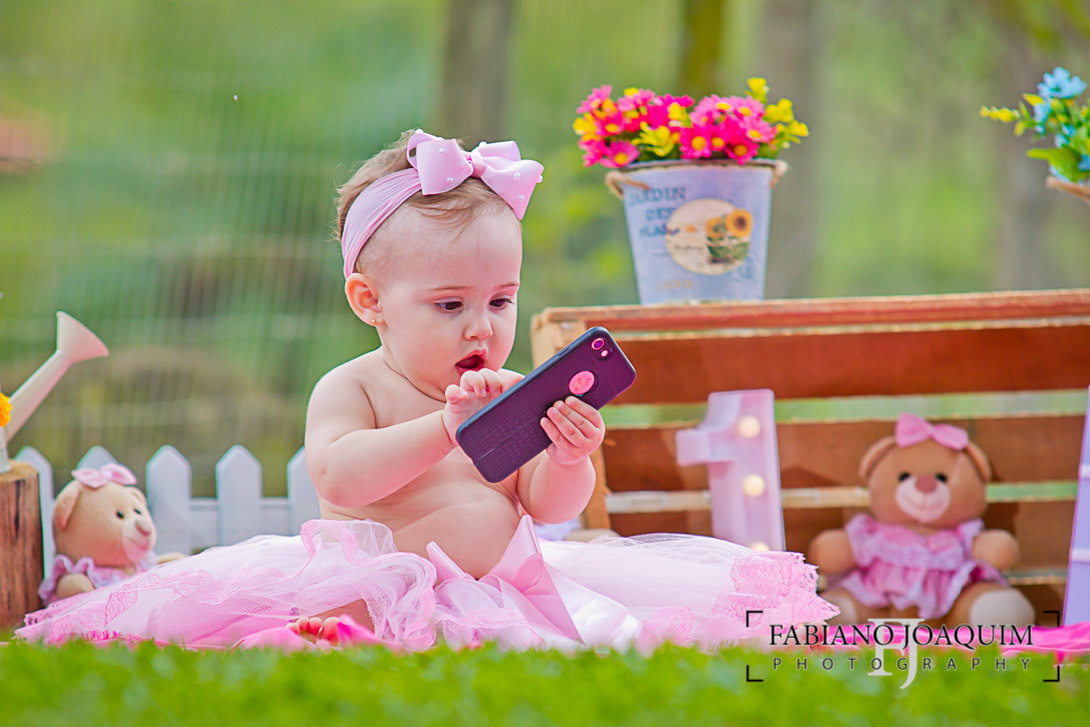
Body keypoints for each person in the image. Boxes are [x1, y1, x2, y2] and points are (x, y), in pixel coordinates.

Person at [17, 129, 837, 652]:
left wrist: (567, 456)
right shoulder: (355, 385)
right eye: (449, 305)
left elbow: (544, 504)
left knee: (602, 632)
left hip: (499, 584)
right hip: (374, 584)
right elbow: (340, 475)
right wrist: (446, 429)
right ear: (369, 300)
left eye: (500, 300)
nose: (481, 326)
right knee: (337, 633)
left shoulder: (507, 390)